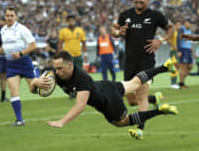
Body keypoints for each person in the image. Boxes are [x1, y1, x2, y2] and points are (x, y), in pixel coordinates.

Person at [30, 51, 178, 136]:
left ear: (70, 65)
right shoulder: (56, 75)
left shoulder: (80, 77)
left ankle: (160, 111)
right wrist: (35, 83)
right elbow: (35, 90)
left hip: (108, 101)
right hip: (104, 85)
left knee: (122, 122)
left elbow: (80, 106)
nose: (57, 72)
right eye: (55, 68)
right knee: (134, 83)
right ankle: (164, 67)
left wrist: (62, 121)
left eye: (60, 68)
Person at [111, 0, 175, 138]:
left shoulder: (155, 15)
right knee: (131, 100)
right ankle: (156, 98)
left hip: (146, 60)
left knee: (141, 96)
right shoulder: (125, 15)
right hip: (129, 61)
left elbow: (171, 28)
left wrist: (160, 40)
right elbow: (113, 30)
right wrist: (118, 32)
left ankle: (140, 129)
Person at [0, 6, 37, 126]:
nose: (9, 18)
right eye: (7, 15)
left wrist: (20, 53)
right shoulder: (3, 30)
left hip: (24, 62)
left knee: (35, 90)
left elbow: (33, 45)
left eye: (12, 15)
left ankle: (38, 74)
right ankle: (19, 119)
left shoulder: (22, 29)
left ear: (16, 17)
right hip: (11, 65)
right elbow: (4, 47)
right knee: (13, 91)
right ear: (5, 16)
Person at [177, 19, 193, 89]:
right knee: (183, 68)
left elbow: (190, 41)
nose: (190, 25)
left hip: (188, 50)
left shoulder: (189, 30)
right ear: (186, 23)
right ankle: (181, 84)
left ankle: (182, 82)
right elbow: (178, 40)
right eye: (189, 23)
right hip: (183, 50)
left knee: (190, 67)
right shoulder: (181, 29)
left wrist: (192, 51)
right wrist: (179, 51)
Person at [167, 19, 182, 89]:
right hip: (173, 51)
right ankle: (173, 83)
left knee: (178, 67)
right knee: (175, 66)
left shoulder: (179, 32)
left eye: (180, 24)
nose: (179, 26)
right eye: (178, 24)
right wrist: (174, 46)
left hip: (178, 51)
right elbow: (168, 40)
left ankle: (175, 82)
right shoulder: (173, 31)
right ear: (174, 25)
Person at [0, 16, 9, 102]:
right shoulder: (4, 31)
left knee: (3, 78)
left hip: (3, 57)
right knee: (3, 78)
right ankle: (2, 97)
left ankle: (3, 97)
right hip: (2, 57)